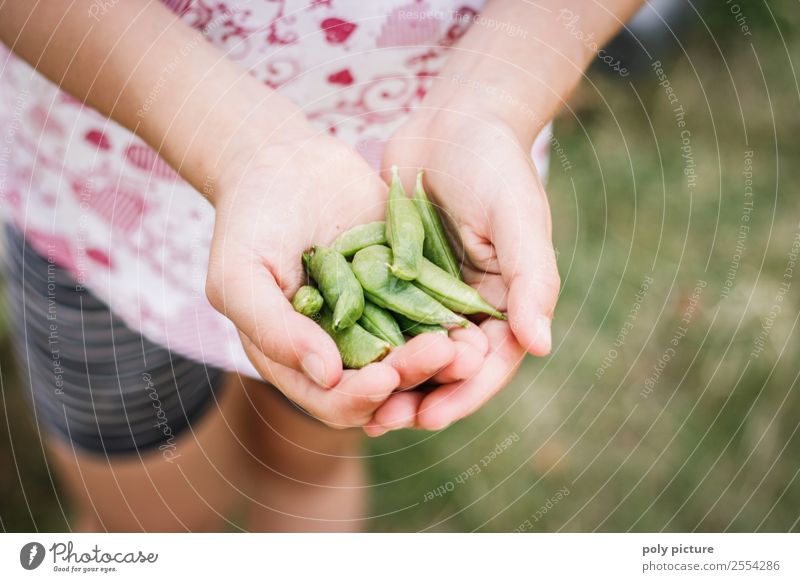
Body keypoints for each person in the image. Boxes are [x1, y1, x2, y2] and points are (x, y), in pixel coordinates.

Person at [0, 0, 641, 532]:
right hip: (104, 205)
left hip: (398, 144)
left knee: (309, 467)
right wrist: (242, 146)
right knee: (150, 522)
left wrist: (490, 100)